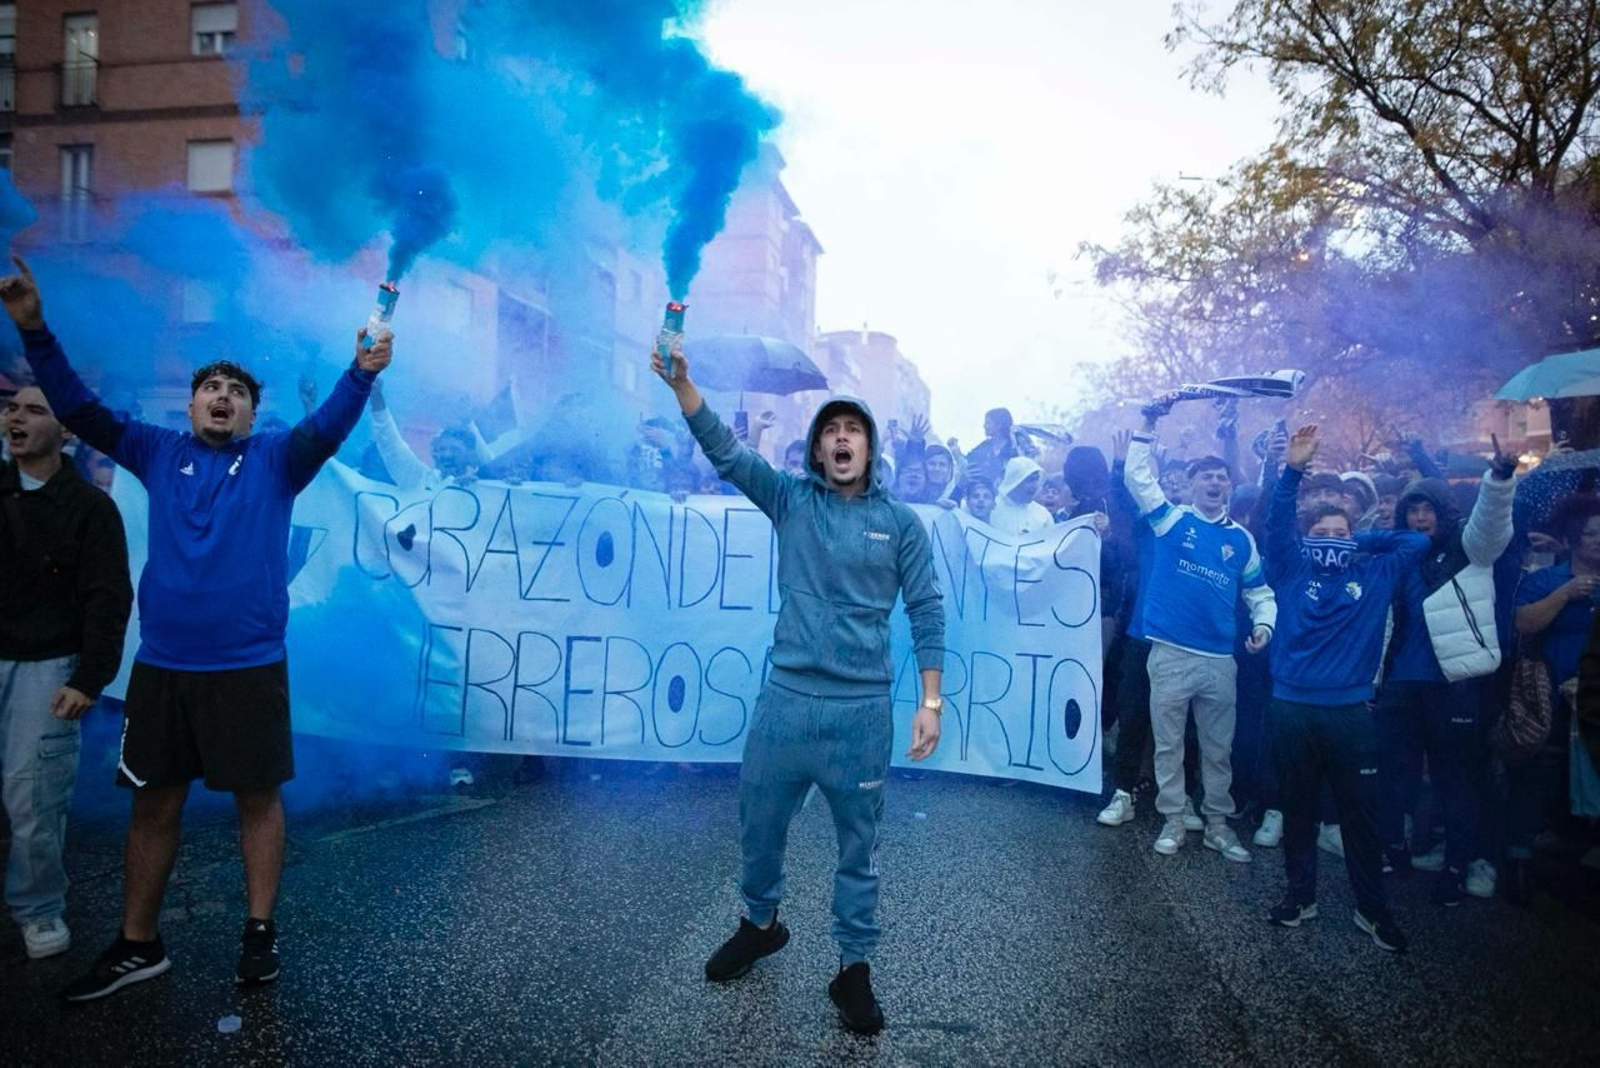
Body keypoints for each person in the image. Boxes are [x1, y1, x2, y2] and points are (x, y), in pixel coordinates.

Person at [0, 256, 391, 1000]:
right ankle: (138, 943)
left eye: (237, 392)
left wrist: (361, 374)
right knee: (154, 803)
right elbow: (79, 408)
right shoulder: (155, 449)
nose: (223, 397)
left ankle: (259, 934)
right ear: (190, 407)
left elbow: (328, 429)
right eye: (211, 387)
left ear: (250, 415)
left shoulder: (277, 460)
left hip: (248, 667)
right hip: (165, 666)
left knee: (257, 800)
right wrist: (34, 329)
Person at [651, 338, 945, 1037]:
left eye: (854, 431)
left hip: (860, 714)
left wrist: (930, 702)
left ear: (869, 449)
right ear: (816, 450)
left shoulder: (901, 524)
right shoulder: (791, 501)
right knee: (759, 827)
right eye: (831, 430)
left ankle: (853, 969)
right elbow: (728, 454)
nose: (842, 439)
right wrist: (683, 386)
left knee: (858, 850)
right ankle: (760, 925)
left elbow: (927, 609)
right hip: (784, 704)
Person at [1262, 426, 1429, 952]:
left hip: (1351, 714)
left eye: (1341, 532)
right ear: (1308, 539)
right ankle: (1300, 896)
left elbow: (1418, 541)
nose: (1332, 539)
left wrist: (1357, 540)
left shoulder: (1376, 573)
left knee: (1361, 816)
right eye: (1323, 533)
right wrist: (1292, 471)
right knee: (1298, 809)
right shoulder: (1291, 569)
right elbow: (1275, 525)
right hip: (1291, 709)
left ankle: (1372, 910)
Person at [1, 385, 133, 960]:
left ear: (66, 431)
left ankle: (38, 909)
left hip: (47, 668)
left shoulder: (90, 508)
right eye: (12, 408)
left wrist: (88, 679)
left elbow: (109, 599)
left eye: (35, 410)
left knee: (34, 799)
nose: (17, 417)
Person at [1124, 394, 1276, 862]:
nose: (1215, 482)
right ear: (1190, 484)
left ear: (1230, 485)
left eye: (1221, 476)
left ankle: (1217, 826)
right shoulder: (1170, 520)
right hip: (1170, 653)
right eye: (1205, 476)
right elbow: (1136, 477)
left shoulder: (1241, 539)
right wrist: (1147, 424)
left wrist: (1264, 625)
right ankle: (1173, 819)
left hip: (1219, 659)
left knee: (1217, 749)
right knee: (1168, 745)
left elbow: (1260, 592)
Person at [1376, 449, 1516, 906]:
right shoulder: (1399, 555)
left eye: (1428, 509)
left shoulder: (1468, 549)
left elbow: (1491, 525)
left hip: (1453, 685)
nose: (1420, 518)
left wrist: (1499, 480)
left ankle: (1456, 867)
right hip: (1400, 683)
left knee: (1453, 780)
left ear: (1444, 513)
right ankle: (1394, 850)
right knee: (1396, 776)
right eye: (1412, 509)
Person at [1509, 494, 1600, 903]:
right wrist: (1565, 594)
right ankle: (1519, 862)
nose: (1598, 541)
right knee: (1538, 780)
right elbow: (1524, 624)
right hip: (1549, 701)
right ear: (1574, 539)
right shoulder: (1547, 580)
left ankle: (1576, 863)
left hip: (1594, 706)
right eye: (1591, 534)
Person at [367, 378, 479, 492]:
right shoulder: (419, 479)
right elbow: (391, 445)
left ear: (470, 455)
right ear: (434, 454)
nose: (447, 455)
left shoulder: (483, 486)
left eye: (455, 450)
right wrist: (376, 396)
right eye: (441, 449)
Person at [991, 456, 1053, 536]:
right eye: (1030, 480)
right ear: (1015, 481)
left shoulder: (1042, 514)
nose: (1035, 486)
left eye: (1036, 479)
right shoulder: (991, 508)